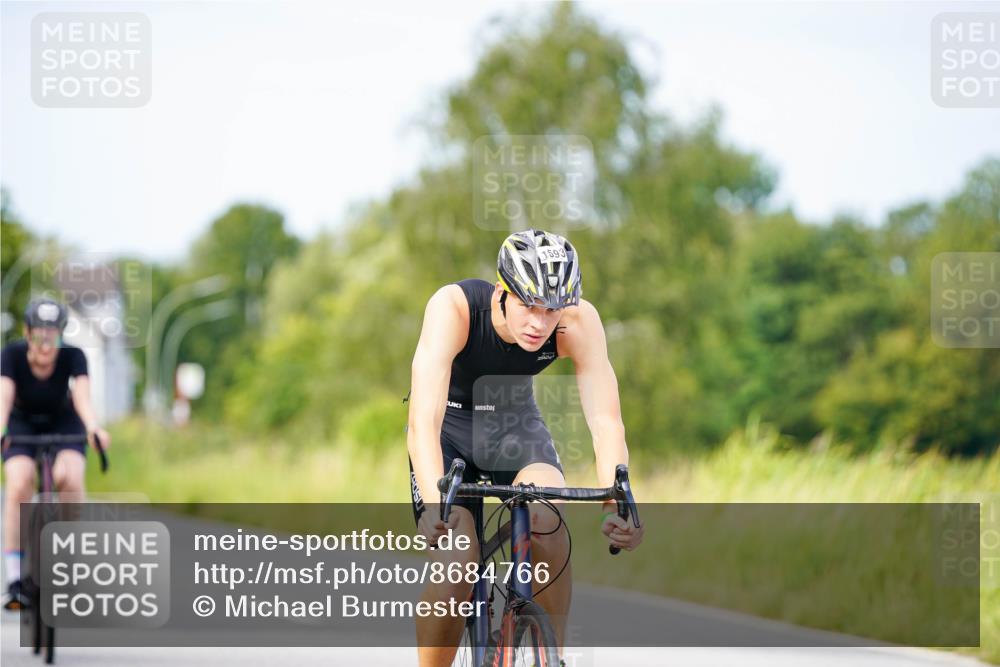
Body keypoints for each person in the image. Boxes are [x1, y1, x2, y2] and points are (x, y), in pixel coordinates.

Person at [407, 229, 644, 667]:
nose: (540, 323)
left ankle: (551, 653)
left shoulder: (578, 321)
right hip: (450, 432)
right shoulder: (455, 308)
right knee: (458, 560)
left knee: (547, 516)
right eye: (528, 306)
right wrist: (432, 505)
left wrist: (616, 505)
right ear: (501, 292)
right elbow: (423, 419)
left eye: (552, 310)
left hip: (515, 428)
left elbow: (606, 420)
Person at [0, 298, 111, 610]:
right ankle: (14, 581)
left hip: (64, 423)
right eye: (39, 337)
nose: (46, 346)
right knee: (19, 483)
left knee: (71, 477)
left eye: (53, 337)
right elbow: (4, 397)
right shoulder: (10, 355)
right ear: (27, 332)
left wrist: (94, 428)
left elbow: (84, 399)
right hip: (22, 424)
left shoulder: (74, 357)